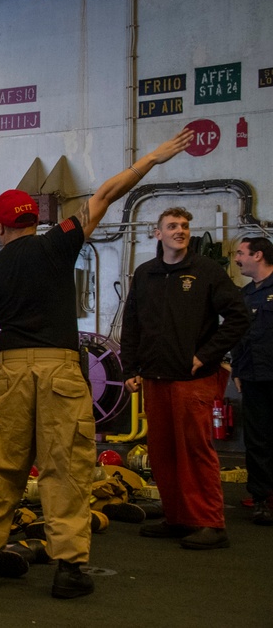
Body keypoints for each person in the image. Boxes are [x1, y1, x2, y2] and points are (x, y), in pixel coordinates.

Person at [0, 128, 195, 600]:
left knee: (3, 465)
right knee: (65, 467)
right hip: (62, 370)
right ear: (34, 219)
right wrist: (152, 159)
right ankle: (68, 570)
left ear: (0, 228)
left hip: (14, 372)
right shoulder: (56, 243)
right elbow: (105, 194)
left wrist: (12, 348)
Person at [122, 207, 250, 550]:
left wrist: (205, 355)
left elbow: (238, 317)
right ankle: (178, 518)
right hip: (154, 377)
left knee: (195, 450)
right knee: (162, 452)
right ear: (158, 233)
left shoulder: (206, 271)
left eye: (185, 226)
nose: (180, 230)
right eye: (173, 226)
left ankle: (211, 522)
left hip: (193, 379)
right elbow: (132, 324)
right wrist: (130, 369)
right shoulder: (145, 273)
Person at [232, 237, 273, 526]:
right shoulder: (246, 295)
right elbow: (239, 336)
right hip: (253, 377)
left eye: (240, 253)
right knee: (256, 439)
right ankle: (261, 498)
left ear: (258, 255)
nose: (236, 258)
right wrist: (236, 369)